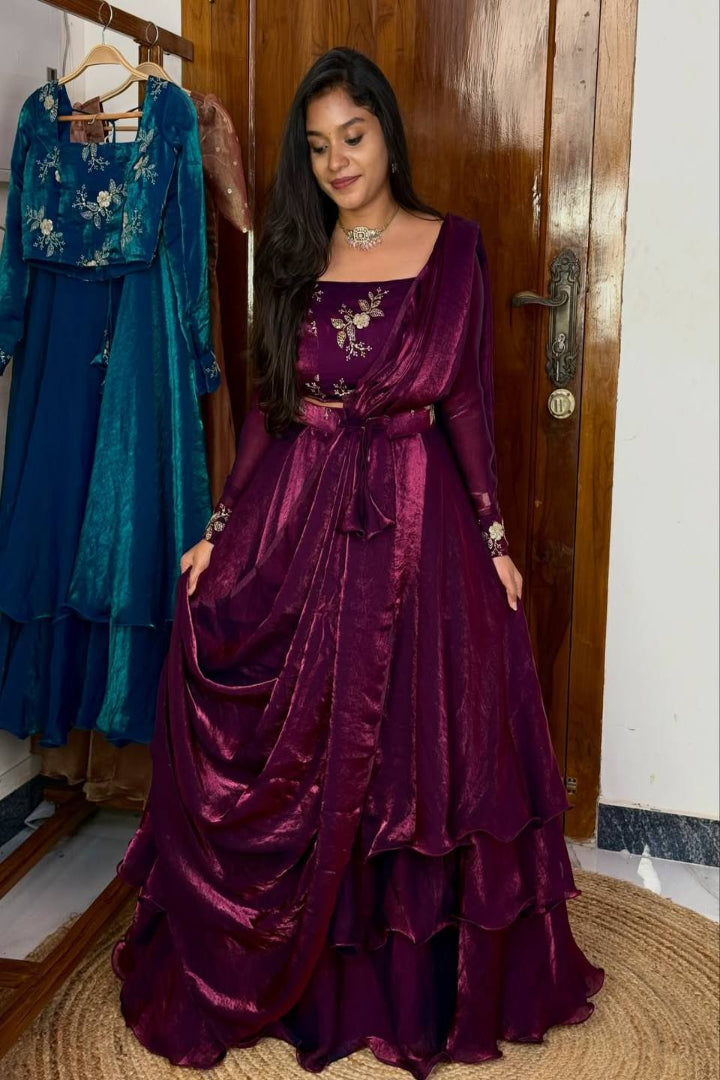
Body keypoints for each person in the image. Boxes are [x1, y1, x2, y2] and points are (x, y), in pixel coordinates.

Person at [113, 47, 604, 1079]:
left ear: (387, 133)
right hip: (302, 515)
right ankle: (301, 966)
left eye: (354, 135)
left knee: (417, 750)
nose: (338, 161)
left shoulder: (454, 248)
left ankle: (405, 986)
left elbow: (465, 400)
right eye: (318, 145)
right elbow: (269, 411)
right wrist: (221, 526)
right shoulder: (296, 255)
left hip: (421, 524)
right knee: (266, 691)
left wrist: (495, 537)